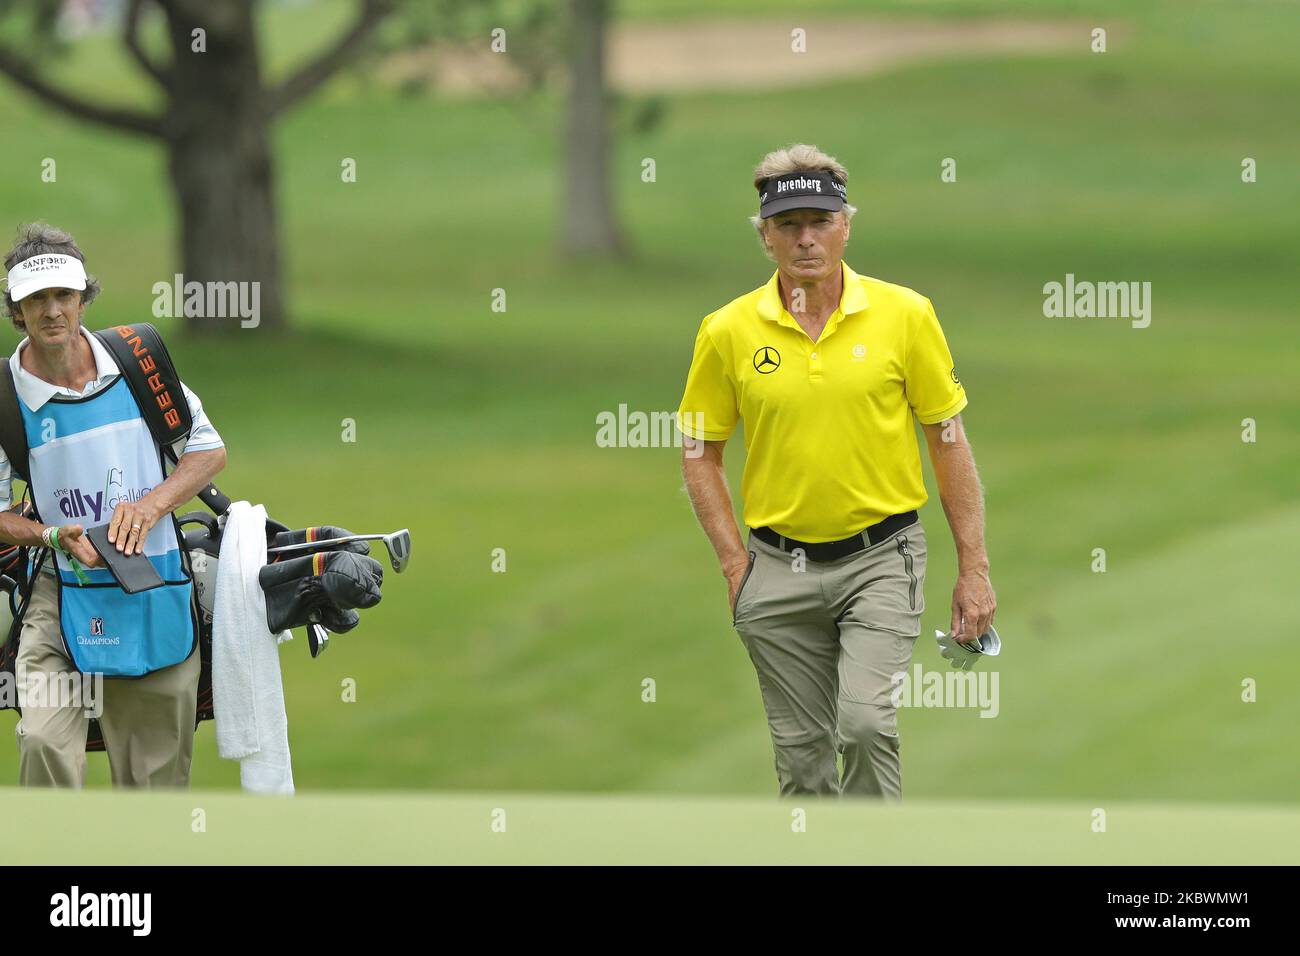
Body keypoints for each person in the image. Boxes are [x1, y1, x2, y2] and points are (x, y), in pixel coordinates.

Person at [676, 145, 997, 799]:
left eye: (820, 221)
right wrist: (735, 565)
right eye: (788, 224)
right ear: (764, 235)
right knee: (802, 763)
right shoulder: (728, 330)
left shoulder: (905, 315)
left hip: (881, 557)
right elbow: (699, 453)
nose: (806, 238)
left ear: (847, 225)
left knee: (865, 724)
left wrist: (975, 567)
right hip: (774, 567)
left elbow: (948, 440)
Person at [0, 222, 227, 787]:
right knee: (45, 741)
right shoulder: (4, 397)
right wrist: (51, 536)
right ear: (17, 310)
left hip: (155, 578)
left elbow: (207, 451)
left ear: (82, 299)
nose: (52, 311)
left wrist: (151, 506)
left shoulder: (138, 360)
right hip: (58, 586)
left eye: (63, 296)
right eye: (35, 300)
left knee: (152, 779)